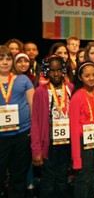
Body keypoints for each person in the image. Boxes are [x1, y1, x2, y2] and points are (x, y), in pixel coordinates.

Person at [30, 55, 73, 198]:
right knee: (48, 181)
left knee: (62, 180)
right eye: (52, 70)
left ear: (63, 71)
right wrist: (36, 149)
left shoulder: (70, 88)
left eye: (59, 70)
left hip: (67, 143)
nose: (56, 74)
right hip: (49, 144)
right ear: (46, 72)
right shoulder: (40, 91)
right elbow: (35, 121)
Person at [0, 45, 34, 197]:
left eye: (8, 58)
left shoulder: (23, 79)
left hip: (22, 134)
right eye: (1, 58)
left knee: (19, 174)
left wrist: (33, 130)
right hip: (1, 137)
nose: (5, 62)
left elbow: (33, 105)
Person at [69, 61, 94, 198]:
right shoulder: (77, 96)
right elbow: (73, 127)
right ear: (80, 77)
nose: (91, 78)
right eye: (87, 76)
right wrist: (76, 157)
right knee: (83, 177)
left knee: (92, 175)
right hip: (83, 142)